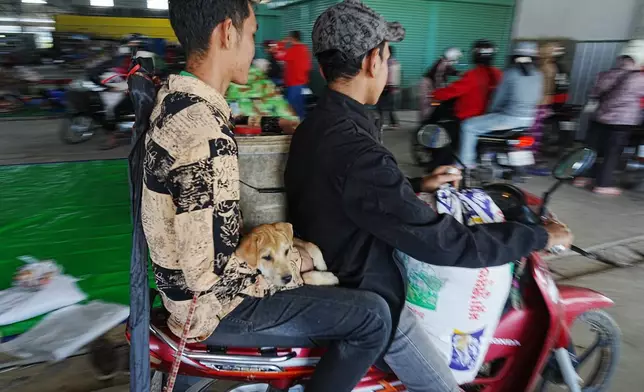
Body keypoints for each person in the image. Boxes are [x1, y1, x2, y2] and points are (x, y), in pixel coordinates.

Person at [285, 1, 574, 391]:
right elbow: (445, 244)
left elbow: (349, 190)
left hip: (334, 263)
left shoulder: (316, 126)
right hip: (368, 291)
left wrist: (418, 185)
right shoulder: (356, 147)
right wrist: (538, 236)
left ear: (322, 68)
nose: (386, 66)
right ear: (374, 61)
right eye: (386, 56)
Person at [142, 2, 394, 392]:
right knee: (373, 317)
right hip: (210, 311)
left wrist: (280, 123)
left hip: (186, 289)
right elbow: (202, 277)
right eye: (252, 34)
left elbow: (226, 125)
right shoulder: (207, 141)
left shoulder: (177, 101)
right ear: (227, 33)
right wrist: (292, 264)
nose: (255, 48)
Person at [573, 40, 644, 196]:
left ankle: (582, 177)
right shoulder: (639, 78)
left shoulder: (607, 74)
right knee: (612, 153)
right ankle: (603, 184)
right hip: (622, 122)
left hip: (599, 117)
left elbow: (594, 93)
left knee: (592, 149)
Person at [459, 42, 543, 167]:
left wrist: (491, 111)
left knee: (468, 126)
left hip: (509, 118)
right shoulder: (538, 74)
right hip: (530, 119)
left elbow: (499, 97)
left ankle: (464, 164)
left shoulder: (510, 73)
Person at [418, 47, 462, 122]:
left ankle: (430, 120)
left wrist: (458, 73)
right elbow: (438, 79)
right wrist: (441, 89)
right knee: (427, 105)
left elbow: (450, 70)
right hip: (427, 84)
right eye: (456, 58)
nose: (456, 61)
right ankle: (424, 123)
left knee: (433, 104)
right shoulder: (441, 65)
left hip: (431, 83)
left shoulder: (444, 62)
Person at [283, 30, 312, 120]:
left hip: (293, 83)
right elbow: (308, 67)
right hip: (301, 82)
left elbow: (282, 57)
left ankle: (296, 126)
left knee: (292, 108)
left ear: (292, 38)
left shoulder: (293, 50)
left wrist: (283, 43)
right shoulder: (305, 49)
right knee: (299, 106)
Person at [377, 45, 401, 128]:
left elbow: (388, 76)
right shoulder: (396, 62)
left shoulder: (388, 62)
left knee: (381, 106)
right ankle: (393, 123)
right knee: (390, 107)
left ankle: (383, 123)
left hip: (387, 88)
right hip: (393, 89)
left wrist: (385, 85)